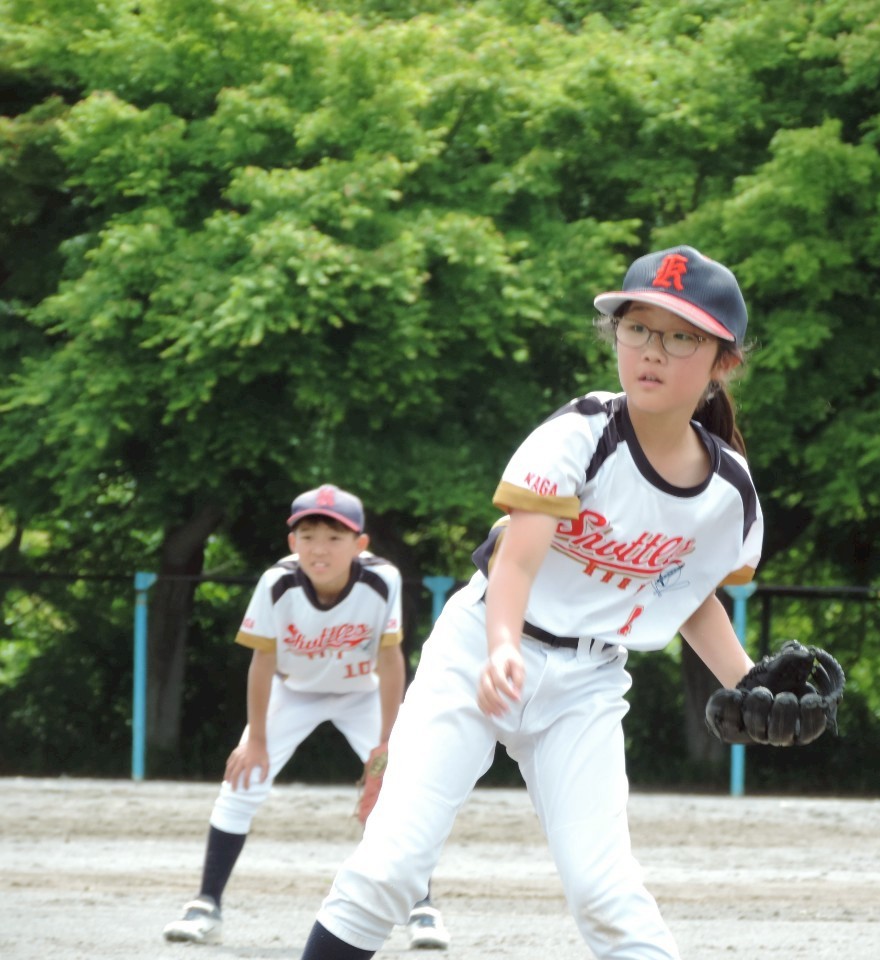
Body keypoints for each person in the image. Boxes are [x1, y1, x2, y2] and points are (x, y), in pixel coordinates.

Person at [294, 244, 763, 960]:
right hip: (479, 649)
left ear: (723, 361)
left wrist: (750, 687)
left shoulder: (727, 487)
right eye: (637, 327)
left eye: (681, 337)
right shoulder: (581, 433)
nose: (651, 350)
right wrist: (503, 646)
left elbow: (688, 594)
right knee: (389, 867)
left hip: (588, 682)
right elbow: (517, 556)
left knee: (608, 895)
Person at [163, 484, 451, 950]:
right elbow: (262, 662)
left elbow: (391, 658)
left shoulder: (382, 579)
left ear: (359, 544)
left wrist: (386, 745)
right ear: (292, 542)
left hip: (361, 692)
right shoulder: (277, 583)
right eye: (309, 535)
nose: (320, 548)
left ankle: (422, 907)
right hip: (293, 691)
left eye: (335, 538)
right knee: (241, 780)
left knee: (401, 790)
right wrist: (256, 740)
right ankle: (206, 904)